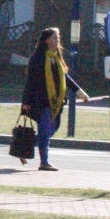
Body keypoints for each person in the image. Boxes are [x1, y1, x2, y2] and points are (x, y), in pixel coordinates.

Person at [20, 26, 91, 170]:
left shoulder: (56, 57)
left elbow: (65, 77)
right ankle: (44, 163)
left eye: (58, 38)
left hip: (56, 102)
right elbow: (30, 81)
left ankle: (24, 148)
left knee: (52, 129)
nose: (57, 40)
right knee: (45, 131)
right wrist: (26, 102)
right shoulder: (37, 58)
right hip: (40, 102)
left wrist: (80, 92)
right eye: (54, 38)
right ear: (46, 40)